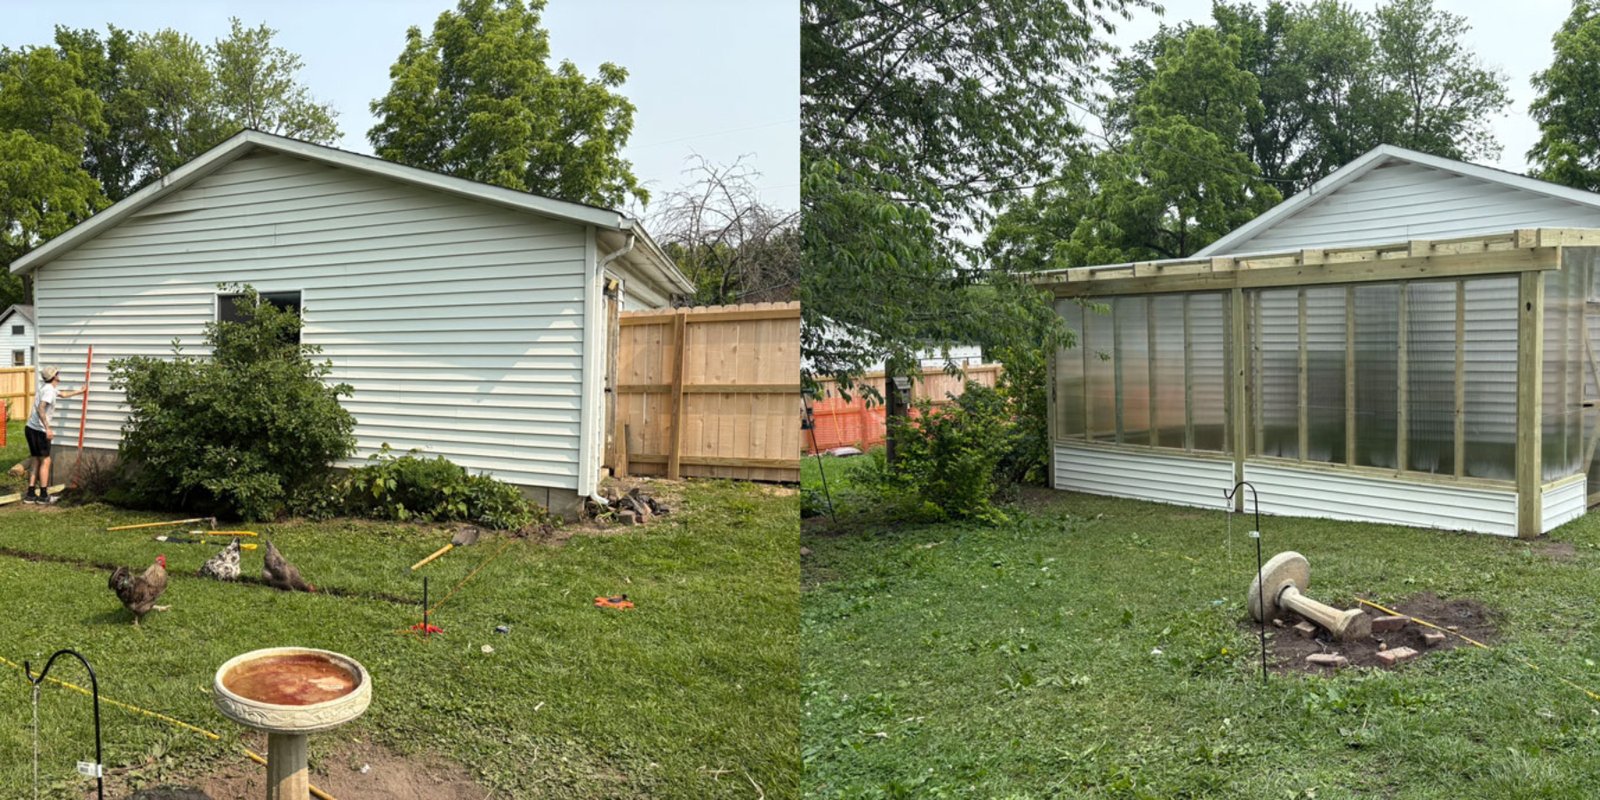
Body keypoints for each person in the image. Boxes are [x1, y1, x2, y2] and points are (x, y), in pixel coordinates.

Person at [25, 366, 85, 505]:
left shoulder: (47, 388)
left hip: (30, 428)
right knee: (46, 461)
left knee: (35, 460)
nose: (59, 374)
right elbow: (41, 408)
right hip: (40, 430)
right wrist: (48, 428)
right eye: (58, 373)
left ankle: (30, 494)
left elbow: (63, 394)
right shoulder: (49, 392)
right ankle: (44, 496)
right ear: (54, 376)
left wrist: (80, 391)